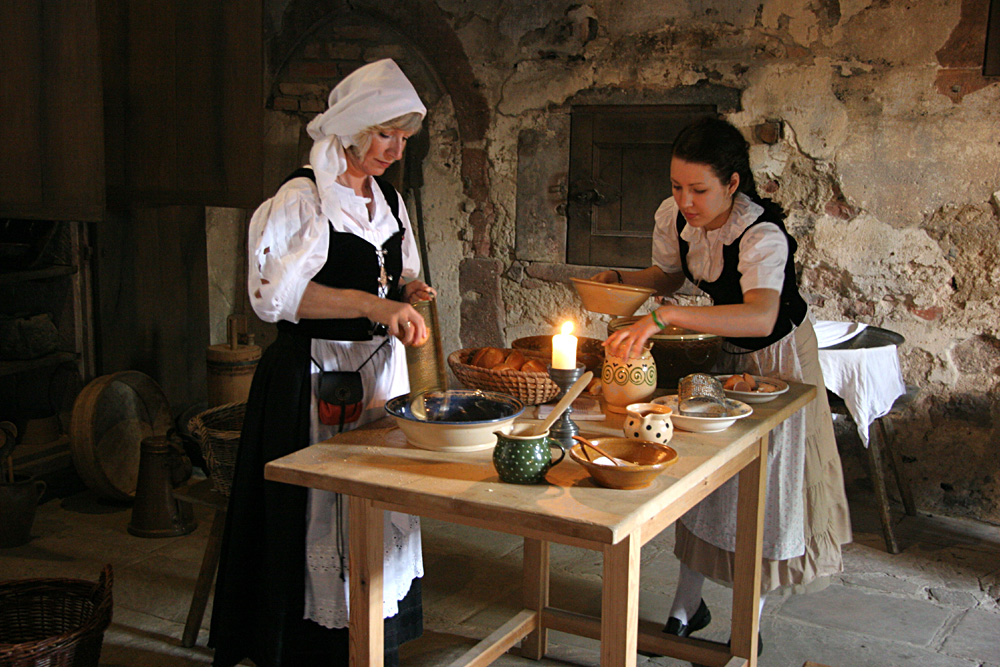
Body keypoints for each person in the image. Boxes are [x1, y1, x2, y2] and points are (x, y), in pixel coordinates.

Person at [595, 116, 851, 651]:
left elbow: (759, 315)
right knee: (710, 479)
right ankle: (687, 607)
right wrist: (623, 281)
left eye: (699, 189)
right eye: (676, 186)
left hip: (778, 362)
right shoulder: (677, 218)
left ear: (733, 184)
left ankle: (746, 623)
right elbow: (669, 275)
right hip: (724, 355)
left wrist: (665, 319)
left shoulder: (760, 235)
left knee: (765, 490)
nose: (685, 200)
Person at [210, 59, 435, 667]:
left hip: (378, 375)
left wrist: (406, 292)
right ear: (355, 127)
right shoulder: (303, 196)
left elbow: (398, 268)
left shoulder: (387, 197)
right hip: (313, 377)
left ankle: (367, 631)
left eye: (404, 137)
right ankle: (314, 640)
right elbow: (276, 298)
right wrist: (371, 303)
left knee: (376, 501)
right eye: (386, 134)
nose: (395, 149)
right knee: (317, 511)